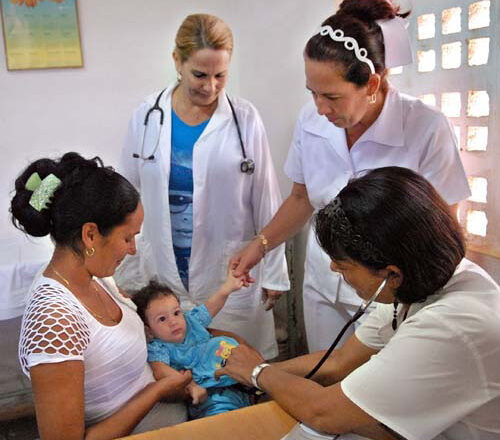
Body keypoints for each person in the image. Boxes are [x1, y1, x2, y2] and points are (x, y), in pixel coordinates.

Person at [230, 0, 471, 353]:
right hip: (325, 281)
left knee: (377, 396)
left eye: (331, 96)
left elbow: (445, 228)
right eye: (312, 92)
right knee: (326, 374)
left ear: (371, 84)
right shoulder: (311, 122)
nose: (319, 108)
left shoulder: (425, 127)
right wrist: (261, 244)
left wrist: (422, 303)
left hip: (391, 294)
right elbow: (301, 198)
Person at [218, 166, 500, 440]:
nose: (333, 270)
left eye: (343, 266)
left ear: (390, 274)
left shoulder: (451, 325)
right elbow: (340, 362)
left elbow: (324, 412)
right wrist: (245, 371)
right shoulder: (423, 277)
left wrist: (258, 372)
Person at [119, 13, 289, 360]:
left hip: (229, 270)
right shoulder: (147, 116)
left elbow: (267, 198)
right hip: (164, 275)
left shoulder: (245, 119)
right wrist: (129, 272)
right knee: (180, 372)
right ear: (177, 62)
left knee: (240, 368)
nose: (210, 87)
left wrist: (273, 271)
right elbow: (126, 198)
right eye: (200, 74)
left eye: (220, 76)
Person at [11, 153, 189, 440]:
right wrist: (157, 390)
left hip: (170, 412)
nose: (132, 249)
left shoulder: (96, 276)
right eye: (128, 238)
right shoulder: (54, 321)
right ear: (91, 235)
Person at [133, 270, 252, 420]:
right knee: (224, 422)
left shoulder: (191, 321)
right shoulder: (159, 347)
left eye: (176, 313)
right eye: (162, 319)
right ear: (148, 330)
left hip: (241, 380)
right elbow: (160, 370)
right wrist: (191, 385)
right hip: (210, 395)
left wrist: (227, 288)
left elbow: (211, 306)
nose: (173, 321)